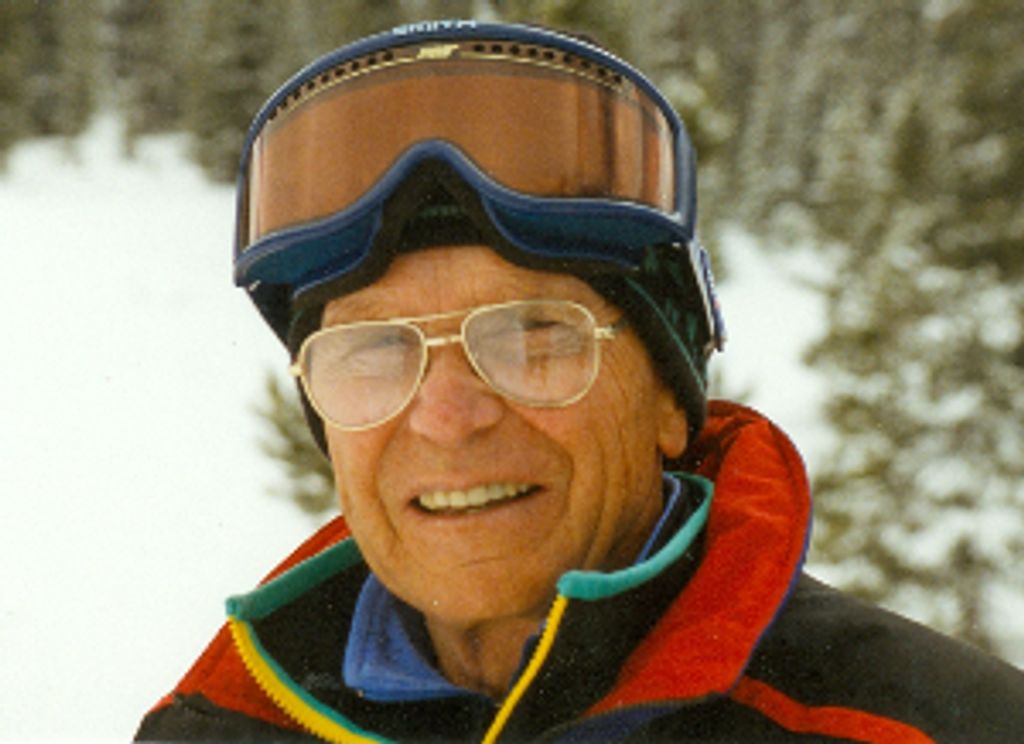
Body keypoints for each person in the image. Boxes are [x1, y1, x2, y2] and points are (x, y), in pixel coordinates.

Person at [136, 20, 1024, 743]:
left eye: (533, 336)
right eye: (373, 352)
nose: (447, 417)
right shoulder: (214, 727)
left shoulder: (935, 727)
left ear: (669, 398)